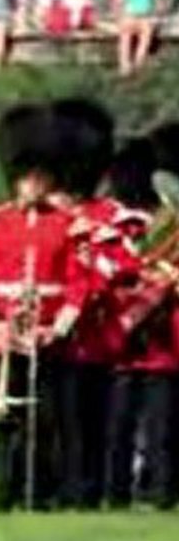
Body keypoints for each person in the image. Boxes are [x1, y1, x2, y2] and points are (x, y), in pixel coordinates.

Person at [0, 104, 86, 511]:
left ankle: (40, 493)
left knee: (46, 418)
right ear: (16, 181)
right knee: (6, 416)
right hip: (5, 332)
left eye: (40, 178)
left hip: (47, 331)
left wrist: (59, 329)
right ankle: (4, 492)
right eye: (27, 178)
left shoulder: (66, 223)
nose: (33, 185)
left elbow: (76, 283)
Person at [47, 99, 125, 511]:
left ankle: (90, 489)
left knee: (94, 418)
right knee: (58, 418)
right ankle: (59, 485)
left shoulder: (107, 216)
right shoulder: (47, 218)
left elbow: (115, 267)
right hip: (51, 332)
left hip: (96, 334)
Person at [104, 138, 179, 510]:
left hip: (165, 341)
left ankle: (163, 491)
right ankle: (115, 492)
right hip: (122, 338)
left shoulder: (171, 224)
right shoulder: (116, 227)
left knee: (162, 427)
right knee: (117, 425)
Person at [115, 0, 158, 77]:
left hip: (145, 17)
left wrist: (154, 16)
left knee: (146, 34)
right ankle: (125, 65)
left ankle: (138, 62)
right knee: (125, 36)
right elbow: (119, 1)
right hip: (130, 16)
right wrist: (119, 17)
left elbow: (156, 4)